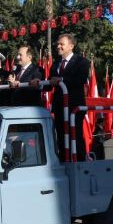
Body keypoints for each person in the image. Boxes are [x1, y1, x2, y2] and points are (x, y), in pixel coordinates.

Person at [36, 33, 90, 162]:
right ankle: (64, 164)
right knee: (60, 137)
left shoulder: (82, 62)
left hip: (74, 107)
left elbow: (80, 80)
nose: (58, 47)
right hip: (60, 107)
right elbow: (50, 85)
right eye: (58, 44)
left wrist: (61, 79)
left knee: (75, 137)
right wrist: (38, 84)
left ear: (71, 46)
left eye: (62, 44)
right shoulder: (56, 64)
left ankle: (80, 164)